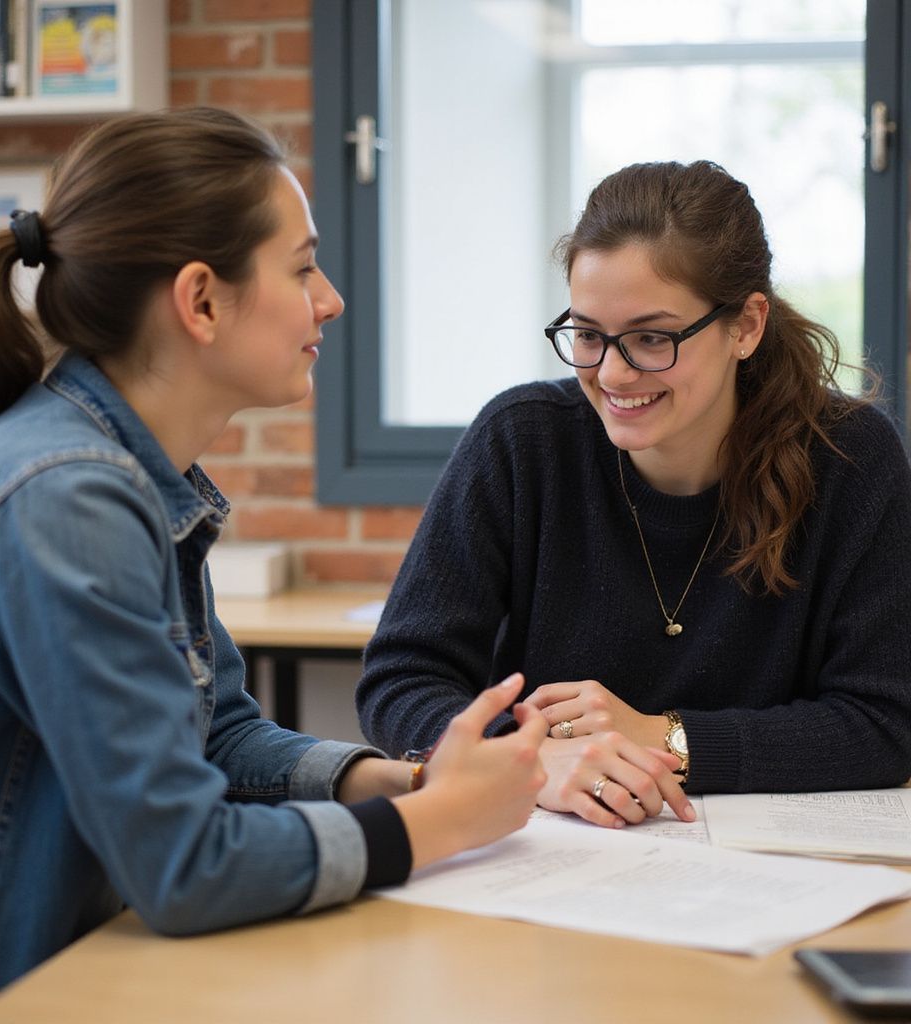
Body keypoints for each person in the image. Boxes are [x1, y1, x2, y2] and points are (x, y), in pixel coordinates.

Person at [0, 107, 548, 1024]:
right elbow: (183, 866)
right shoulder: (65, 497)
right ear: (200, 301)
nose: (331, 300)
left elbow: (219, 737)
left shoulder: (131, 475)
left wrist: (395, 781)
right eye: (304, 267)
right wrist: (441, 825)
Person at [357, 158, 911, 832]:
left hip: (771, 865)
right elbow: (401, 678)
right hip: (556, 862)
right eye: (588, 335)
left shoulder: (850, 456)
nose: (612, 373)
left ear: (746, 325)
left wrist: (663, 738)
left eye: (651, 338)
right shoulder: (521, 441)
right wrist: (526, 757)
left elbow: (884, 722)